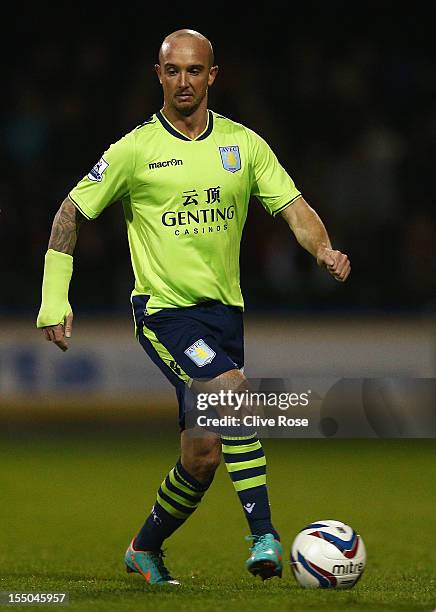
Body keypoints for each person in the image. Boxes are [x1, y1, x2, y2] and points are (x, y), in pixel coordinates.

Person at [36, 29, 351, 586]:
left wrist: (323, 248)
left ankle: (144, 549)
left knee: (203, 455)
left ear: (213, 76)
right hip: (164, 313)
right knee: (233, 392)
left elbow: (295, 209)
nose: (184, 80)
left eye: (194, 70)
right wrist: (53, 297)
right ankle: (265, 535)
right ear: (159, 75)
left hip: (225, 315)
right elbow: (69, 212)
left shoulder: (245, 145)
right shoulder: (133, 150)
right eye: (173, 70)